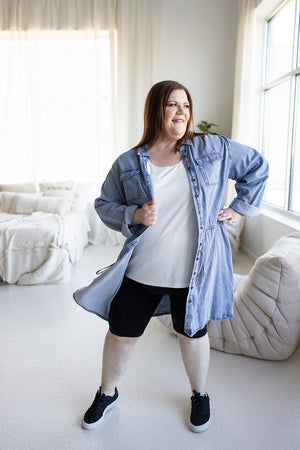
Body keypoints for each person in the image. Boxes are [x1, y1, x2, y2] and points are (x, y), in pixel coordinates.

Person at [76, 80, 268, 432]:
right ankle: (107, 391)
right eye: (172, 105)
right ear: (155, 110)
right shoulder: (129, 162)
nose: (182, 112)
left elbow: (257, 166)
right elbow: (104, 204)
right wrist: (135, 215)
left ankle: (199, 394)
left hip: (193, 273)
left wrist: (239, 208)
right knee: (121, 335)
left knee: (192, 336)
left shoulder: (211, 148)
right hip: (141, 270)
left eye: (186, 106)